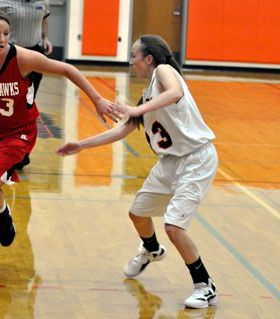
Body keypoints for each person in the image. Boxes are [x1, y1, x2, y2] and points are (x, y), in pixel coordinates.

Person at [0, 9, 119, 263]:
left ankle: (2, 211)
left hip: (16, 132)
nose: (2, 39)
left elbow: (67, 69)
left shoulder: (22, 58)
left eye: (6, 34)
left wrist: (96, 98)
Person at [56, 35, 219, 309]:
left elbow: (175, 92)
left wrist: (137, 108)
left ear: (149, 59)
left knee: (174, 227)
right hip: (170, 162)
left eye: (134, 55)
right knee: (138, 214)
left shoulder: (164, 72)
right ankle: (152, 250)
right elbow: (123, 129)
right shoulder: (147, 94)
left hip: (196, 159)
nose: (131, 61)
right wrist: (81, 145)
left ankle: (205, 285)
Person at [0, 0, 53, 170]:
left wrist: (45, 38)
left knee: (27, 106)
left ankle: (22, 152)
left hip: (34, 55)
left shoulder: (43, 2)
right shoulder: (3, 3)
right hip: (10, 55)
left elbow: (45, 18)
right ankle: (1, 150)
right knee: (8, 106)